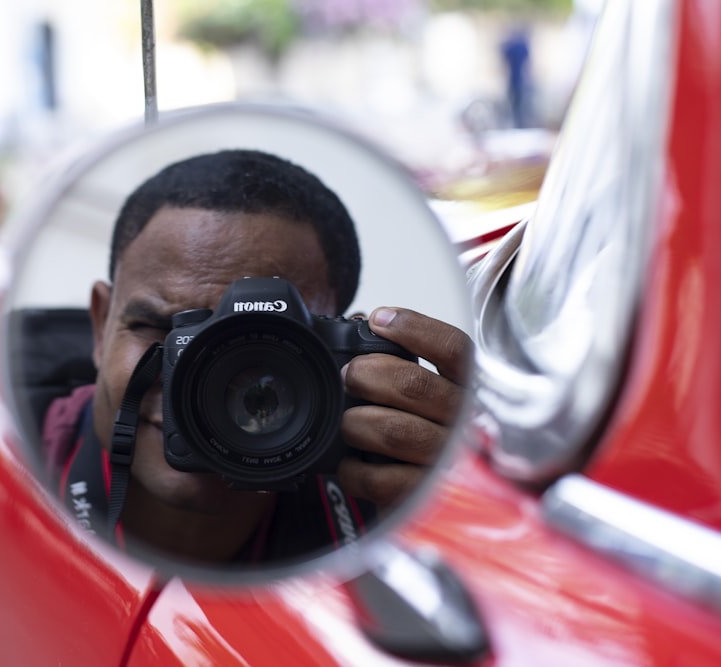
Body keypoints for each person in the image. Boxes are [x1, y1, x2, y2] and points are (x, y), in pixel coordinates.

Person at [41, 149, 470, 565]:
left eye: (265, 352)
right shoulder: (8, 459)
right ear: (100, 327)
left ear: (342, 360)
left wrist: (456, 506)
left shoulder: (378, 495)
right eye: (165, 331)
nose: (206, 381)